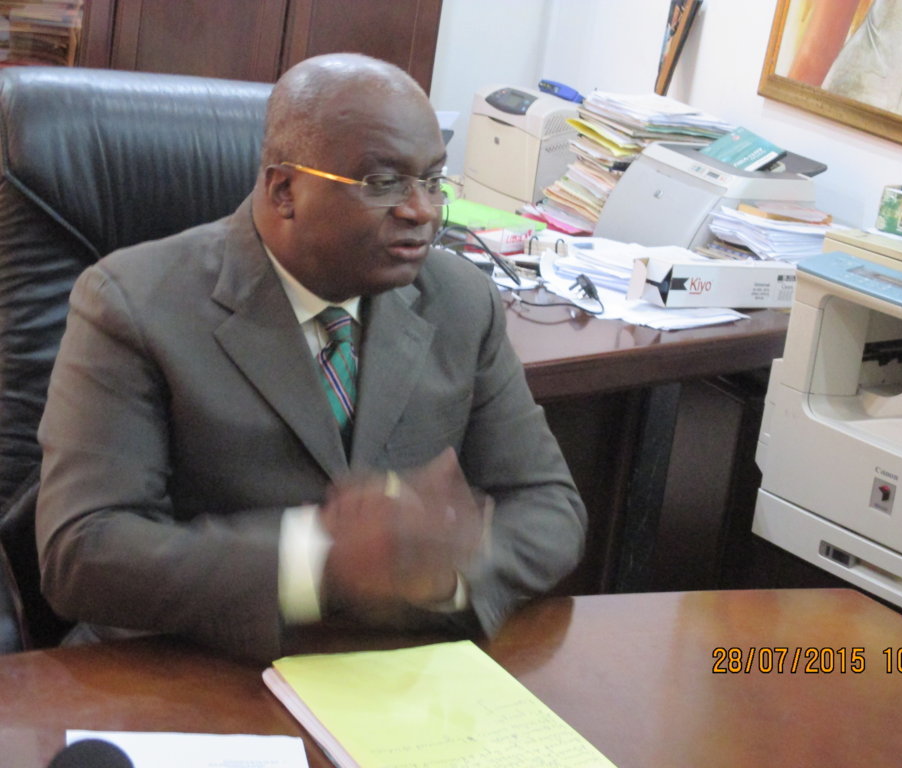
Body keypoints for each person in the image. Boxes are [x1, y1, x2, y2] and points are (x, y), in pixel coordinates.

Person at [35, 53, 586, 662]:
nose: (423, 210)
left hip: (400, 669)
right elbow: (84, 551)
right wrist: (318, 560)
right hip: (192, 669)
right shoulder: (131, 301)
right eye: (384, 183)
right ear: (284, 190)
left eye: (433, 180)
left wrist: (441, 574)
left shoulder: (461, 300)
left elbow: (549, 508)